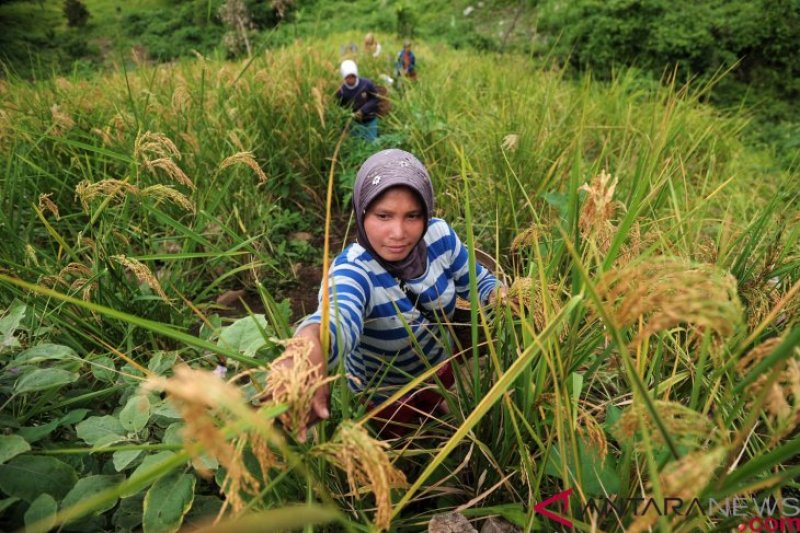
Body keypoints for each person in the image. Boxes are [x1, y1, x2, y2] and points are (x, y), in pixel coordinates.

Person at [287, 149, 502, 438]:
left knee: (439, 404)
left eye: (412, 215)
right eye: (383, 216)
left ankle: (436, 406)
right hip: (386, 394)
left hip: (440, 362)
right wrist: (309, 350)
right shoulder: (353, 271)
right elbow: (336, 318)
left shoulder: (439, 236)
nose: (399, 232)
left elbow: (479, 283)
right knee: (399, 439)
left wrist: (507, 298)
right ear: (362, 211)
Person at [336, 59, 380, 142]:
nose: (350, 79)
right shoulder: (341, 92)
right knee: (358, 144)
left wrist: (363, 110)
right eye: (347, 77)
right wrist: (345, 125)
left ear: (356, 75)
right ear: (344, 78)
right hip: (355, 123)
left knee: (372, 143)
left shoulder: (366, 84)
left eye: (353, 76)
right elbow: (341, 108)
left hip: (370, 119)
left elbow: (375, 98)